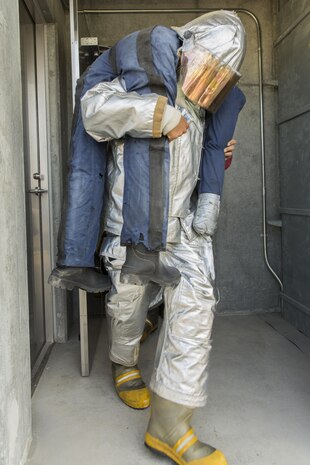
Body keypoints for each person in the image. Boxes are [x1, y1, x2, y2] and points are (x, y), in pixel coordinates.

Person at [74, 10, 247, 465]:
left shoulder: (204, 103)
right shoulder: (134, 80)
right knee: (126, 308)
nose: (207, 81)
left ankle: (170, 426)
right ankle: (124, 363)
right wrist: (158, 114)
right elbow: (93, 111)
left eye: (218, 75)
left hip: (183, 227)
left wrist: (221, 157)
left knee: (196, 310)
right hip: (128, 226)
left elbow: (198, 159)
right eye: (205, 67)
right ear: (187, 53)